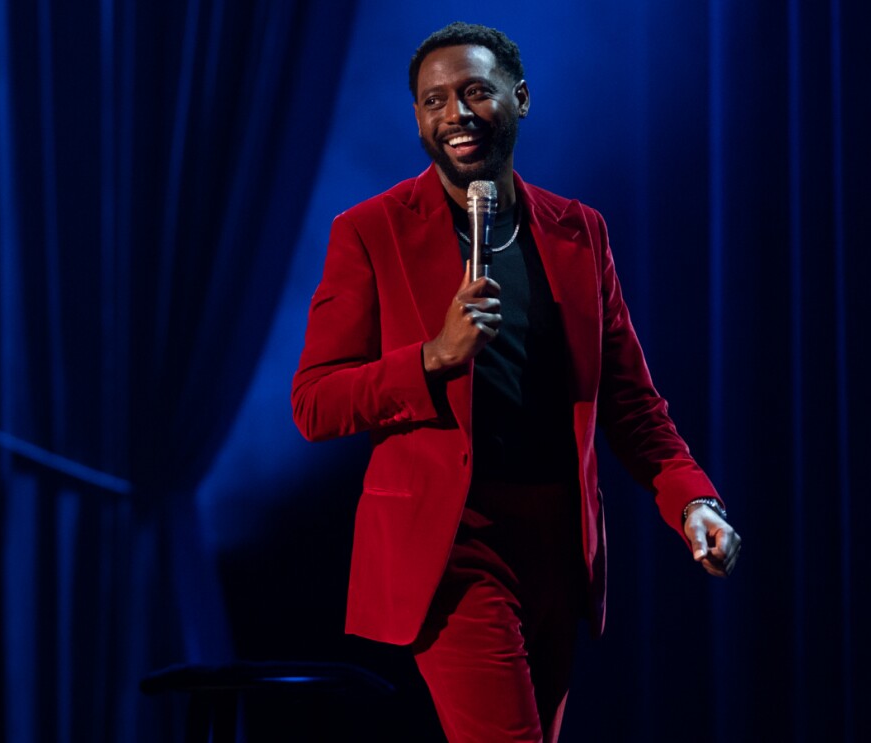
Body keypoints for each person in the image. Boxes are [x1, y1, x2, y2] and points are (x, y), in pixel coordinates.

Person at [290, 22, 742, 742]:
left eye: (474, 92)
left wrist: (692, 500)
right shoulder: (371, 231)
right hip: (452, 545)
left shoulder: (577, 231)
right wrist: (434, 355)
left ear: (520, 97)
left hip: (558, 544)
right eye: (434, 101)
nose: (455, 114)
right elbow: (315, 401)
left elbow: (628, 401)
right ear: (417, 119)